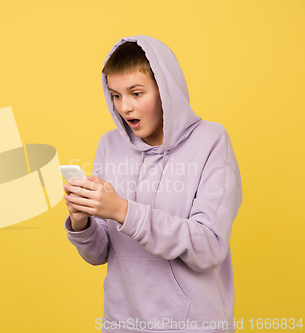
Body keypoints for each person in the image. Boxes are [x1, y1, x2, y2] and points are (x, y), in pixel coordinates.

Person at [62, 35, 243, 333]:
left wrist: (122, 210)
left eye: (136, 93)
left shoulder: (210, 140)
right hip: (123, 324)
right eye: (116, 95)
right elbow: (99, 253)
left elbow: (209, 248)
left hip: (193, 325)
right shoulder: (109, 145)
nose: (125, 107)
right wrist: (81, 221)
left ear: (165, 91)